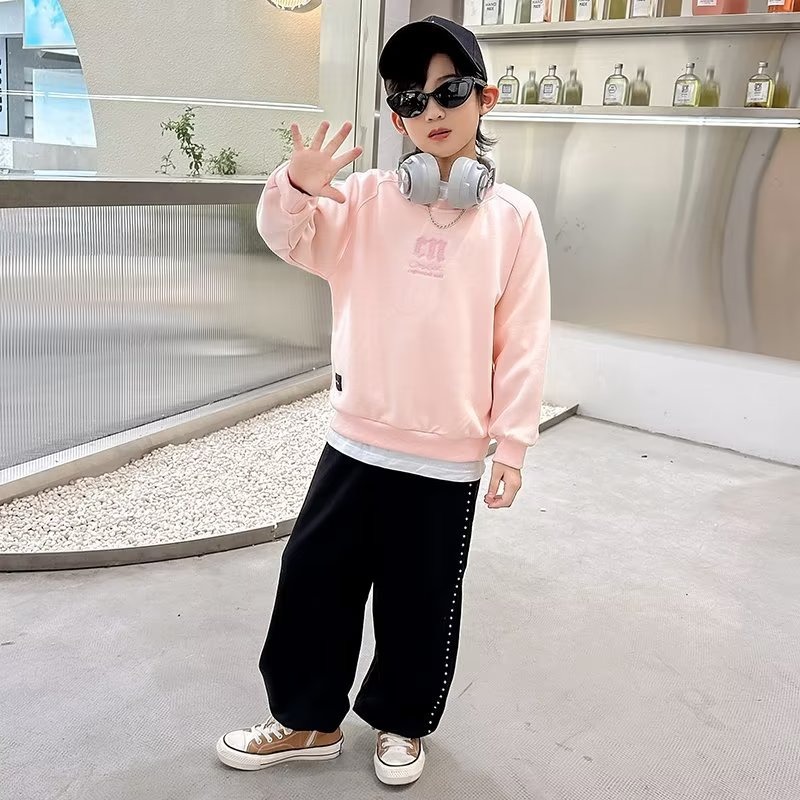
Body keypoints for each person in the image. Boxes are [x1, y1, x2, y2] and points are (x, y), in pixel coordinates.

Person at [216, 15, 550, 787]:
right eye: (410, 98)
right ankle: (308, 721)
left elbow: (524, 339)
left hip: (448, 458)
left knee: (420, 599)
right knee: (313, 578)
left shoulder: (513, 220)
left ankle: (403, 723)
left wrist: (513, 444)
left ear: (486, 99)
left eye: (450, 91)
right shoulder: (363, 200)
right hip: (356, 440)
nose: (431, 110)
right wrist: (295, 185)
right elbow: (287, 236)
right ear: (396, 118)